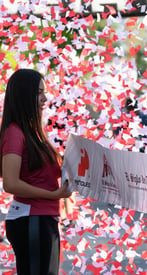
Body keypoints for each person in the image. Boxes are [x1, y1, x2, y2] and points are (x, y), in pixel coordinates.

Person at [0, 69, 72, 275]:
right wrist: (53, 195)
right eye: (39, 93)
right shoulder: (14, 133)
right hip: (31, 218)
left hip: (44, 218)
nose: (45, 98)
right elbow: (11, 183)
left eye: (45, 92)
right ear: (24, 95)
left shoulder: (35, 133)